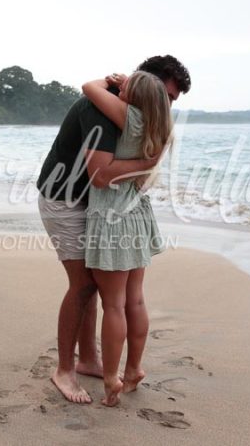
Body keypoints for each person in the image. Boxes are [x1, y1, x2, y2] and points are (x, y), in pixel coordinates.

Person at [36, 55, 191, 404]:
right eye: (165, 97)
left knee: (95, 282)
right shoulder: (101, 108)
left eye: (172, 102)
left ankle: (90, 358)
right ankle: (64, 369)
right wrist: (148, 162)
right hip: (65, 199)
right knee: (84, 284)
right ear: (142, 83)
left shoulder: (138, 113)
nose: (166, 107)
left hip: (99, 206)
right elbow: (102, 175)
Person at [81, 71, 173, 406]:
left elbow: (88, 88)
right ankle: (133, 369)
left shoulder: (130, 117)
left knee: (114, 305)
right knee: (135, 300)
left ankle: (110, 379)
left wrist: (109, 81)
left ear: (134, 96)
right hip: (138, 215)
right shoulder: (161, 127)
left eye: (127, 87)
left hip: (112, 217)